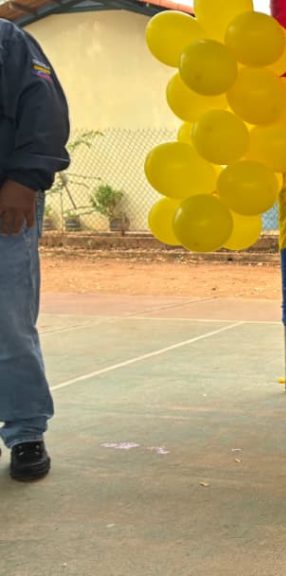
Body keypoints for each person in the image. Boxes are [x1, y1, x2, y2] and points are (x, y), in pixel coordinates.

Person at [0, 21, 70, 481]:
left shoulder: (8, 41)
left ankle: (25, 432)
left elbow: (43, 109)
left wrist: (25, 180)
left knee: (8, 324)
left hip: (4, 201)